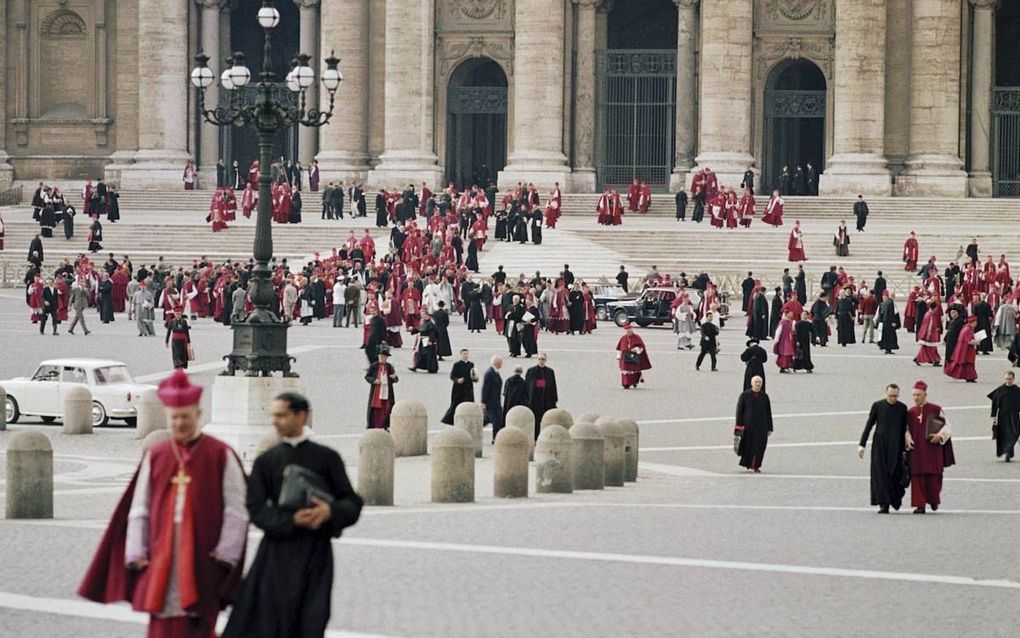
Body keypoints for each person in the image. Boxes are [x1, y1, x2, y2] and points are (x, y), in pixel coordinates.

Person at [78, 370, 248, 637]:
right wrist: (136, 552)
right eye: (175, 418)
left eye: (186, 417)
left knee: (199, 624)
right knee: (162, 623)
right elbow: (139, 507)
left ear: (198, 416)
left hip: (205, 557)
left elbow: (236, 511)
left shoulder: (220, 455)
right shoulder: (157, 454)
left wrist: (225, 555)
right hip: (161, 554)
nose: (180, 423)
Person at [223, 393, 363, 638]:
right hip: (275, 555)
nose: (274, 421)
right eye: (273, 415)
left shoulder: (327, 458)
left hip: (315, 552)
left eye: (281, 415)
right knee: (267, 622)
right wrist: (290, 520)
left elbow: (352, 502)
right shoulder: (266, 461)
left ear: (301, 416)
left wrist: (329, 511)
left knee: (310, 621)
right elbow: (255, 508)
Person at [858, 384, 908, 513]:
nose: (893, 398)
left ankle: (894, 499)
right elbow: (869, 425)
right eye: (891, 396)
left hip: (896, 446)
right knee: (879, 475)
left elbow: (904, 430)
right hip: (879, 446)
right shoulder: (878, 406)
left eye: (895, 396)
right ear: (886, 394)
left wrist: (904, 450)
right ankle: (883, 504)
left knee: (894, 474)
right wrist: (861, 444)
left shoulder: (902, 408)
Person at [905, 381, 954, 513]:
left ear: (925, 395)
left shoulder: (936, 409)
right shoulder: (910, 412)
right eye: (914, 395)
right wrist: (908, 440)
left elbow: (947, 426)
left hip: (932, 450)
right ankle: (920, 505)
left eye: (918, 395)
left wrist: (940, 436)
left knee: (933, 477)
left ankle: (933, 500)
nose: (916, 398)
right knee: (917, 477)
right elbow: (906, 430)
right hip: (916, 451)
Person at [734, 376, 774, 473]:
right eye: (756, 382)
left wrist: (770, 427)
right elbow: (739, 411)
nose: (758, 384)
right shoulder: (744, 395)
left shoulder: (764, 397)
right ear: (752, 383)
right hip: (748, 426)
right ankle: (749, 463)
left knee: (760, 446)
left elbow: (768, 412)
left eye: (760, 382)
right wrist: (739, 425)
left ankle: (756, 465)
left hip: (762, 426)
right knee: (749, 446)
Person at [989, 371, 1020, 462]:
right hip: (1003, 415)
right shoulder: (1000, 390)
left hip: (1014, 415)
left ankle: (1008, 450)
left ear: (1013, 379)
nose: (1008, 380)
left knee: (1015, 433)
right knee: (1004, 434)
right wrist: (994, 416)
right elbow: (994, 404)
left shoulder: (1017, 391)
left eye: (1010, 379)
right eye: (1006, 379)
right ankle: (1007, 452)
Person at [441, 349, 478, 424]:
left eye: (467, 354)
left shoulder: (471, 364)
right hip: (458, 388)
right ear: (461, 355)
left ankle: (469, 420)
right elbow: (452, 376)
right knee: (456, 404)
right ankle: (450, 420)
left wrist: (475, 378)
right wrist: (457, 380)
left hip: (468, 387)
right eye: (464, 354)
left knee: (469, 404)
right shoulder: (457, 365)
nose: (465, 356)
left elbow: (473, 375)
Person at [525, 354, 558, 436]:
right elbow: (527, 385)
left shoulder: (550, 371)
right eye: (539, 359)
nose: (541, 361)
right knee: (536, 419)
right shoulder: (531, 371)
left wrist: (554, 399)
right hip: (535, 399)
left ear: (545, 360)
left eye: (543, 359)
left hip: (546, 399)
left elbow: (553, 385)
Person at [365, 345, 397, 429]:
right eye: (381, 356)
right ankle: (375, 424)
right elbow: (367, 376)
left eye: (384, 357)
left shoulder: (389, 367)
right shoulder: (374, 366)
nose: (383, 358)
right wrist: (374, 380)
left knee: (387, 407)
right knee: (376, 407)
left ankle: (385, 424)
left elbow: (395, 378)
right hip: (377, 390)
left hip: (387, 389)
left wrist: (394, 378)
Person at [616, 322, 651, 389]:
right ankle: (626, 383)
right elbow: (620, 348)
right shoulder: (623, 338)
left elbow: (641, 347)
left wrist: (636, 349)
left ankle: (634, 382)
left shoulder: (637, 337)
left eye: (629, 329)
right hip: (625, 357)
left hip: (634, 357)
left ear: (632, 329)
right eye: (627, 330)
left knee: (634, 370)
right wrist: (619, 354)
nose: (628, 331)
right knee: (625, 369)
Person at [945, 315, 978, 382]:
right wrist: (976, 342)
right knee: (968, 364)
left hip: (964, 349)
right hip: (966, 350)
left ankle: (970, 377)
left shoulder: (966, 328)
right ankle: (970, 377)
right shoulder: (968, 330)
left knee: (967, 364)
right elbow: (969, 341)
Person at [482, 356, 504, 441]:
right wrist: (483, 402)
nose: (502, 364)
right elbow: (485, 388)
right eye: (500, 362)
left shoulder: (495, 372)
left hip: (495, 402)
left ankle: (473, 431)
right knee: (497, 421)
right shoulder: (490, 373)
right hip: (491, 403)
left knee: (488, 420)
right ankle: (495, 438)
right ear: (496, 363)